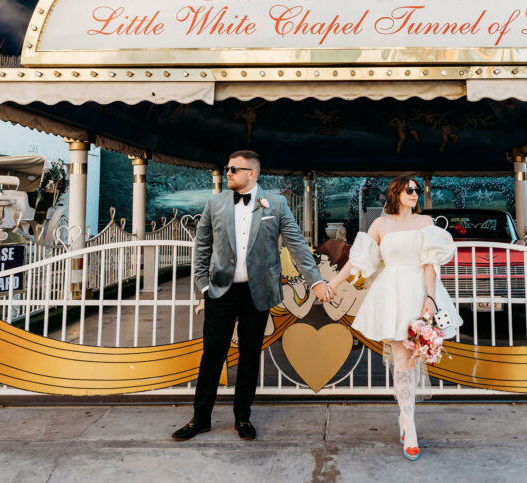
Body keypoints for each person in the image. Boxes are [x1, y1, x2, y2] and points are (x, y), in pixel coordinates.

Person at [173, 150, 333, 442]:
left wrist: (316, 282)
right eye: (227, 168)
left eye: (234, 169)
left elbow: (297, 245)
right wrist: (203, 285)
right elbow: (202, 245)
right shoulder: (215, 202)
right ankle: (200, 418)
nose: (228, 173)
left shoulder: (277, 203)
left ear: (252, 174)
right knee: (212, 355)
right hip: (221, 292)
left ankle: (242, 417)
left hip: (258, 293)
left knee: (249, 356)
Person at [326, 175, 462, 461]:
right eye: (409, 189)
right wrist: (333, 285)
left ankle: (406, 418)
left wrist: (430, 298)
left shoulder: (425, 223)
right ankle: (408, 422)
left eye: (417, 189)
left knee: (416, 356)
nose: (415, 194)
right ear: (396, 193)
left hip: (419, 290)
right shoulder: (380, 224)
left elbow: (430, 264)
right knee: (402, 359)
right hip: (392, 292)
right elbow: (358, 261)